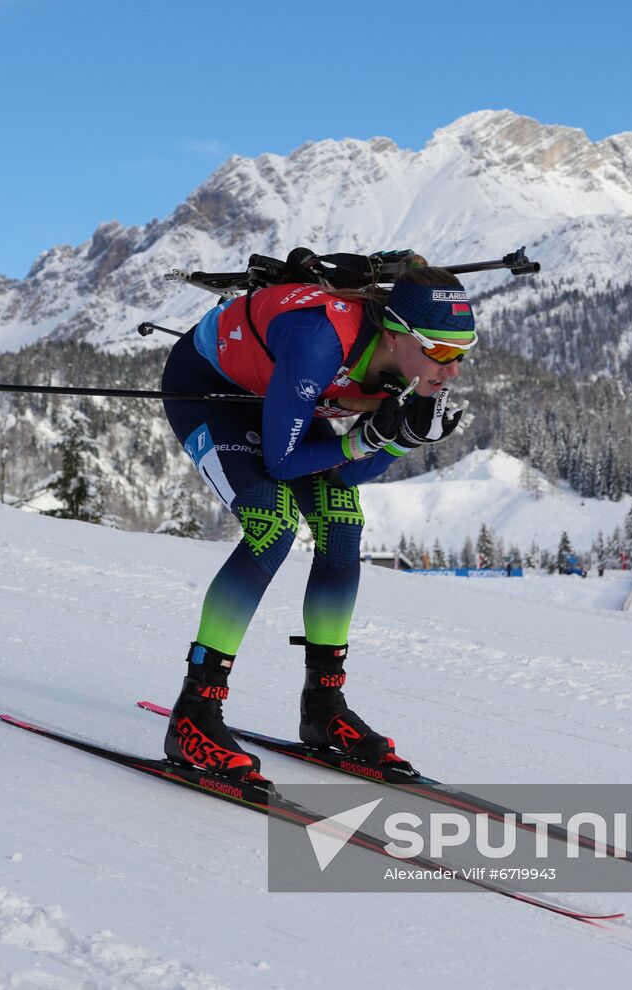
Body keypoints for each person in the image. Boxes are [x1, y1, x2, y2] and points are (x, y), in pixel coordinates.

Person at [159, 262, 473, 784]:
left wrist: (398, 439)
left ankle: (323, 706)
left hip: (282, 398)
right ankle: (194, 712)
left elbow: (348, 477)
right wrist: (370, 438)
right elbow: (283, 464)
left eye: (462, 352)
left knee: (341, 524)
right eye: (440, 351)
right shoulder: (318, 343)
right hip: (212, 392)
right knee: (272, 525)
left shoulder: (412, 364)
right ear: (396, 336)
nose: (452, 369)